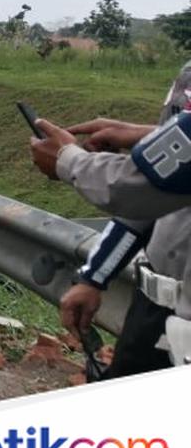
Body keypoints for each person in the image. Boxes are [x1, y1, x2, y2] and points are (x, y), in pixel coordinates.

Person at [29, 62, 191, 376]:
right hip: (155, 312)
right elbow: (155, 193)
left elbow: (135, 187)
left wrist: (66, 159)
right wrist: (95, 276)